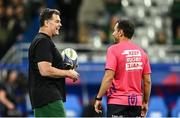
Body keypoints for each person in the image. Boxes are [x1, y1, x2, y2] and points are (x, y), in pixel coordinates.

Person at [94, 19, 152, 117]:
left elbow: (109, 77)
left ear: (120, 32)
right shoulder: (142, 53)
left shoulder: (113, 50)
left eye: (114, 30)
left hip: (117, 103)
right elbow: (147, 81)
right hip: (136, 104)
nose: (113, 34)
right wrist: (145, 102)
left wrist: (99, 98)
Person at [28, 8, 79, 117]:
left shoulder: (41, 40)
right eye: (57, 21)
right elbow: (45, 70)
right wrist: (68, 73)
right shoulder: (43, 41)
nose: (60, 24)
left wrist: (66, 68)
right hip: (49, 98)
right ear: (46, 23)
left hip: (43, 99)